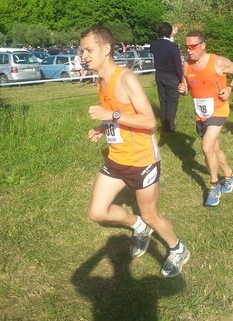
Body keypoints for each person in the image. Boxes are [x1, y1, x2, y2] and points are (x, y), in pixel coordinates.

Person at [80, 26, 189, 278]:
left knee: (152, 214)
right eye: (82, 50)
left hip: (142, 161)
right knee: (97, 211)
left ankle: (177, 249)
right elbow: (118, 116)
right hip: (117, 158)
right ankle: (138, 226)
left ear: (106, 49)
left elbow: (149, 121)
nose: (83, 55)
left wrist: (111, 115)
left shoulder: (125, 78)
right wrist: (102, 126)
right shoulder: (102, 79)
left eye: (89, 49)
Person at [178, 30, 233, 207]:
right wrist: (183, 88)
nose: (189, 50)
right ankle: (230, 175)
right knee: (213, 149)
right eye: (186, 47)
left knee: (206, 146)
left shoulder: (217, 62)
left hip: (219, 110)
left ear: (203, 45)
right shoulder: (186, 65)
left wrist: (230, 88)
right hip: (201, 113)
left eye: (192, 46)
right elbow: (188, 86)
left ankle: (214, 186)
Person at [150, 22, 184, 133]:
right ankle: (169, 126)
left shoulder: (153, 45)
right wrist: (181, 79)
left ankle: (165, 123)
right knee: (172, 101)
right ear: (170, 33)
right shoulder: (172, 46)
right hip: (172, 76)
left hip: (159, 75)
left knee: (163, 100)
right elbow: (178, 65)